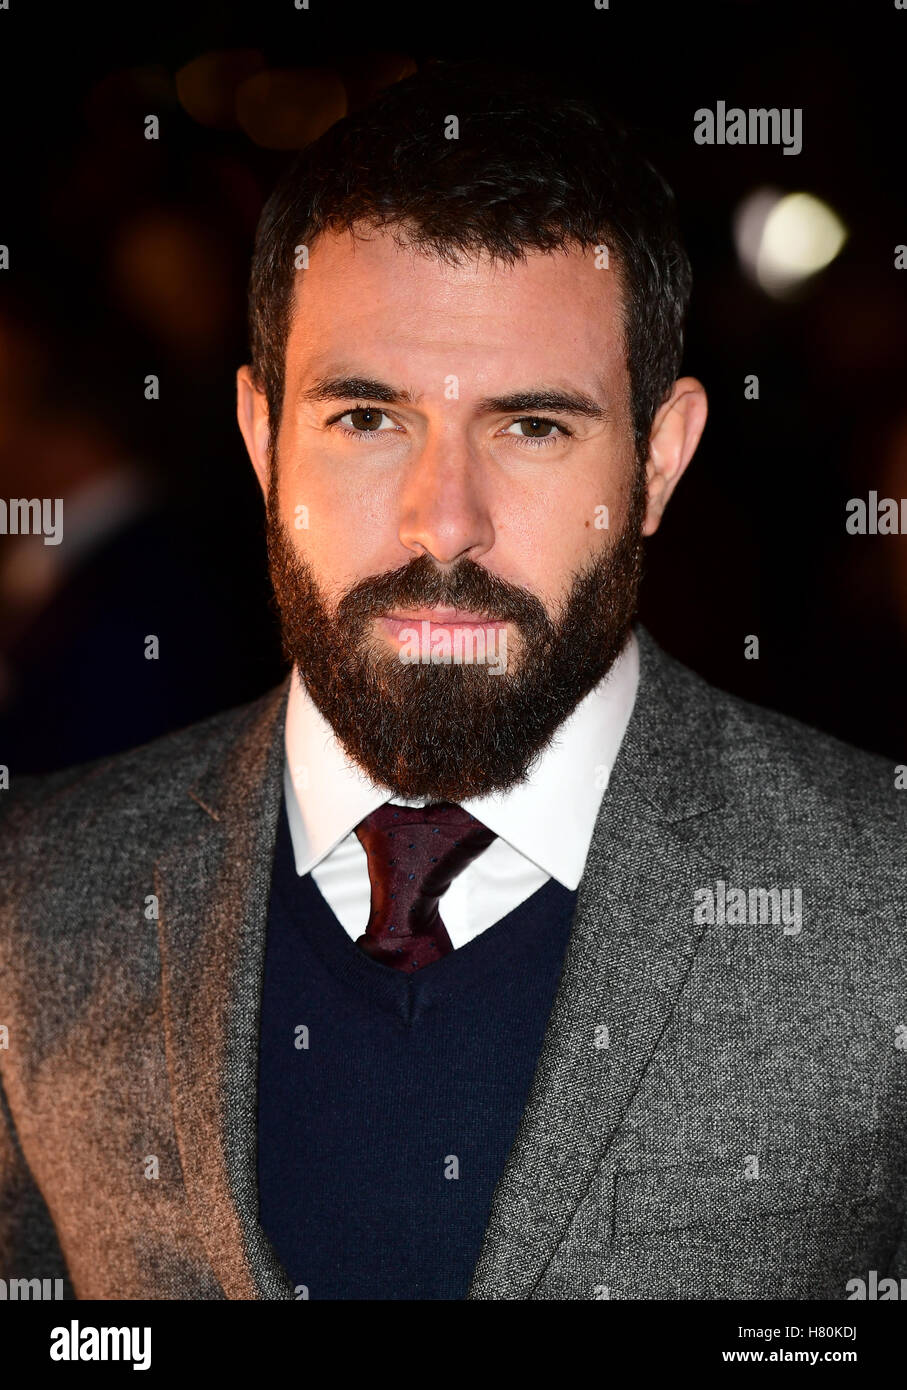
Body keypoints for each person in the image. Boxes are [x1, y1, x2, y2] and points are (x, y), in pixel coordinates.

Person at [1, 59, 904, 1302]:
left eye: (532, 426)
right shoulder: (35, 897)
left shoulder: (881, 901)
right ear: (264, 439)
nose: (442, 525)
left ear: (659, 459)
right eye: (366, 419)